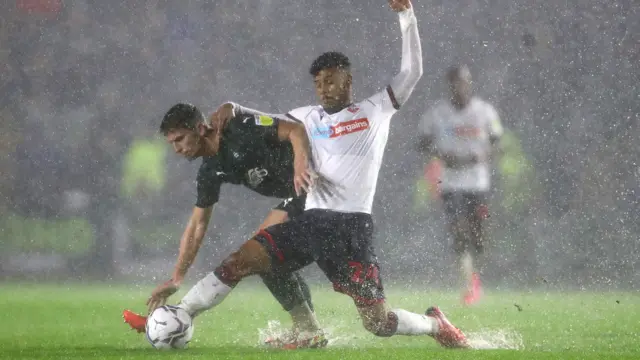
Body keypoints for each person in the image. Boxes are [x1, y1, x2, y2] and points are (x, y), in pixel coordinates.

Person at [145, 0, 468, 348]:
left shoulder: (376, 109)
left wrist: (407, 15)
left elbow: (413, 72)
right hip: (310, 222)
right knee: (242, 260)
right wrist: (234, 107)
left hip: (350, 228)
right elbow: (264, 120)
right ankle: (184, 313)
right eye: (318, 82)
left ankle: (435, 325)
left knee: (378, 321)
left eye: (330, 80)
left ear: (348, 79)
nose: (323, 88)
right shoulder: (307, 117)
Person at [122, 103, 328, 349]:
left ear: (200, 128)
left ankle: (182, 313)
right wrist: (177, 277)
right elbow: (198, 224)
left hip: (321, 186)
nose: (177, 149)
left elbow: (295, 130)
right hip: (303, 196)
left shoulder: (239, 129)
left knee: (253, 253)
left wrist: (300, 166)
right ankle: (308, 329)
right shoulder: (210, 170)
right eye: (172, 144)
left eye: (180, 139)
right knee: (264, 257)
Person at [418, 65, 504, 305]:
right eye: (456, 82)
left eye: (464, 82)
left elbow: (498, 142)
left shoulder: (484, 112)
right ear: (450, 85)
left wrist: (482, 156)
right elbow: (422, 142)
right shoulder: (438, 113)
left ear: (470, 83)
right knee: (458, 232)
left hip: (478, 184)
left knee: (479, 239)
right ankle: (468, 284)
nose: (460, 87)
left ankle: (475, 276)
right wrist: (441, 155)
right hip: (451, 183)